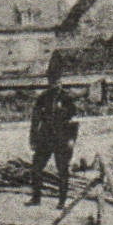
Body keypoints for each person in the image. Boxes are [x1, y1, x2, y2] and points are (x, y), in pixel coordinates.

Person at [29, 65, 79, 207]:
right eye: (52, 81)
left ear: (61, 81)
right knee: (36, 168)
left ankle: (62, 201)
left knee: (62, 170)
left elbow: (74, 121)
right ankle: (36, 199)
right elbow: (35, 120)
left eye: (57, 81)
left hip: (62, 139)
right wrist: (33, 139)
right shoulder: (43, 98)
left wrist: (71, 140)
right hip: (45, 139)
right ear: (49, 82)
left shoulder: (67, 98)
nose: (55, 83)